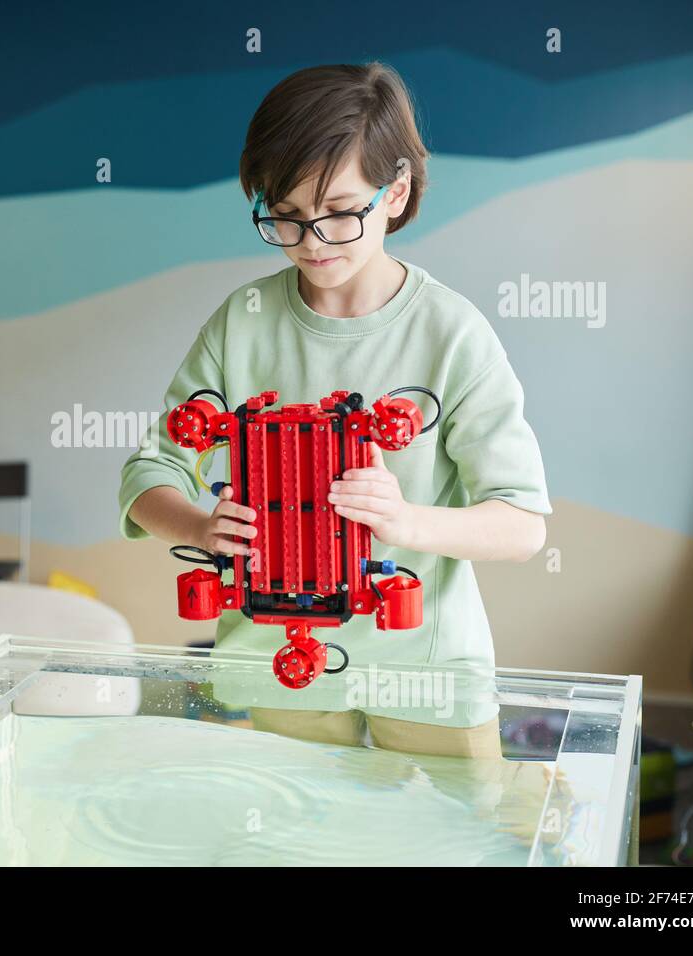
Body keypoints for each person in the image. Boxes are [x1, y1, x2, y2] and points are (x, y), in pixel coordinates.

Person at [117, 62, 552, 757]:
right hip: (276, 666)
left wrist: (403, 519)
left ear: (397, 191)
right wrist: (202, 525)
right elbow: (148, 471)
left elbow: (523, 525)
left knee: (453, 841)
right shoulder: (244, 321)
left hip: (427, 670)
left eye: (341, 213)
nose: (312, 243)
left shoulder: (452, 331)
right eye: (285, 217)